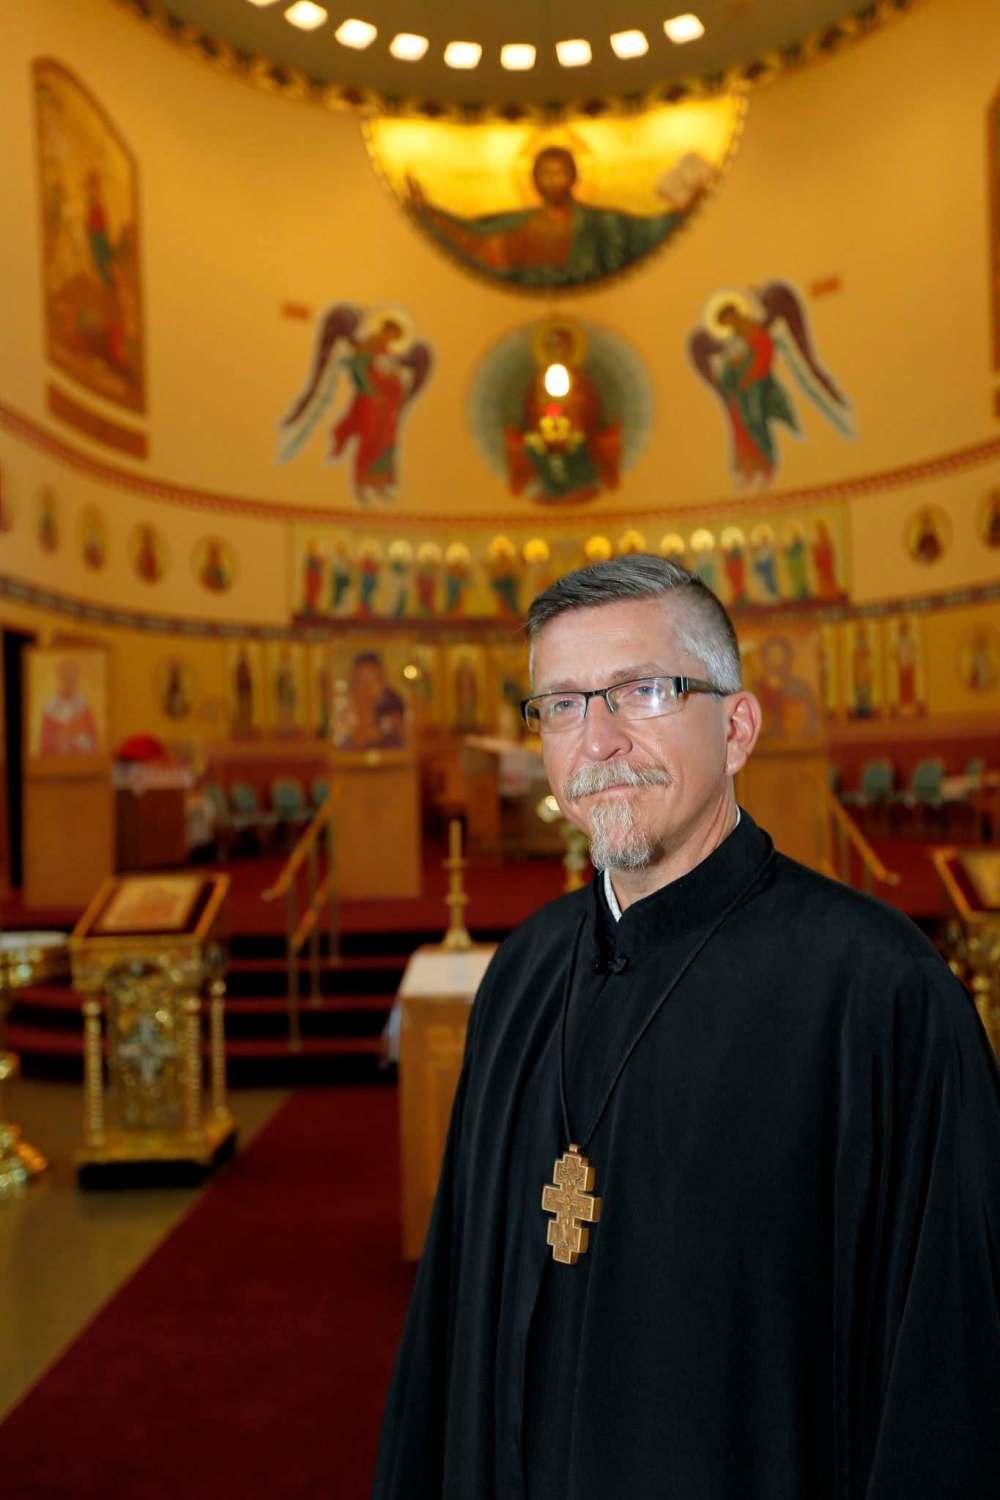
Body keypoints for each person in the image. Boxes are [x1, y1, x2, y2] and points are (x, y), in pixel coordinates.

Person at [373, 554, 1000, 1500]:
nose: (599, 740)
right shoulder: (524, 973)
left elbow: (946, 1376)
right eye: (563, 704)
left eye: (644, 692)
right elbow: (454, 1322)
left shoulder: (879, 996)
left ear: (738, 726)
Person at [407, 145, 694, 289]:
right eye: (544, 173)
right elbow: (474, 235)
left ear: (573, 177)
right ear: (532, 179)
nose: (551, 180)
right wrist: (429, 212)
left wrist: (680, 213)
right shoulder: (516, 223)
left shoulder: (601, 222)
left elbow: (642, 231)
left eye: (558, 172)